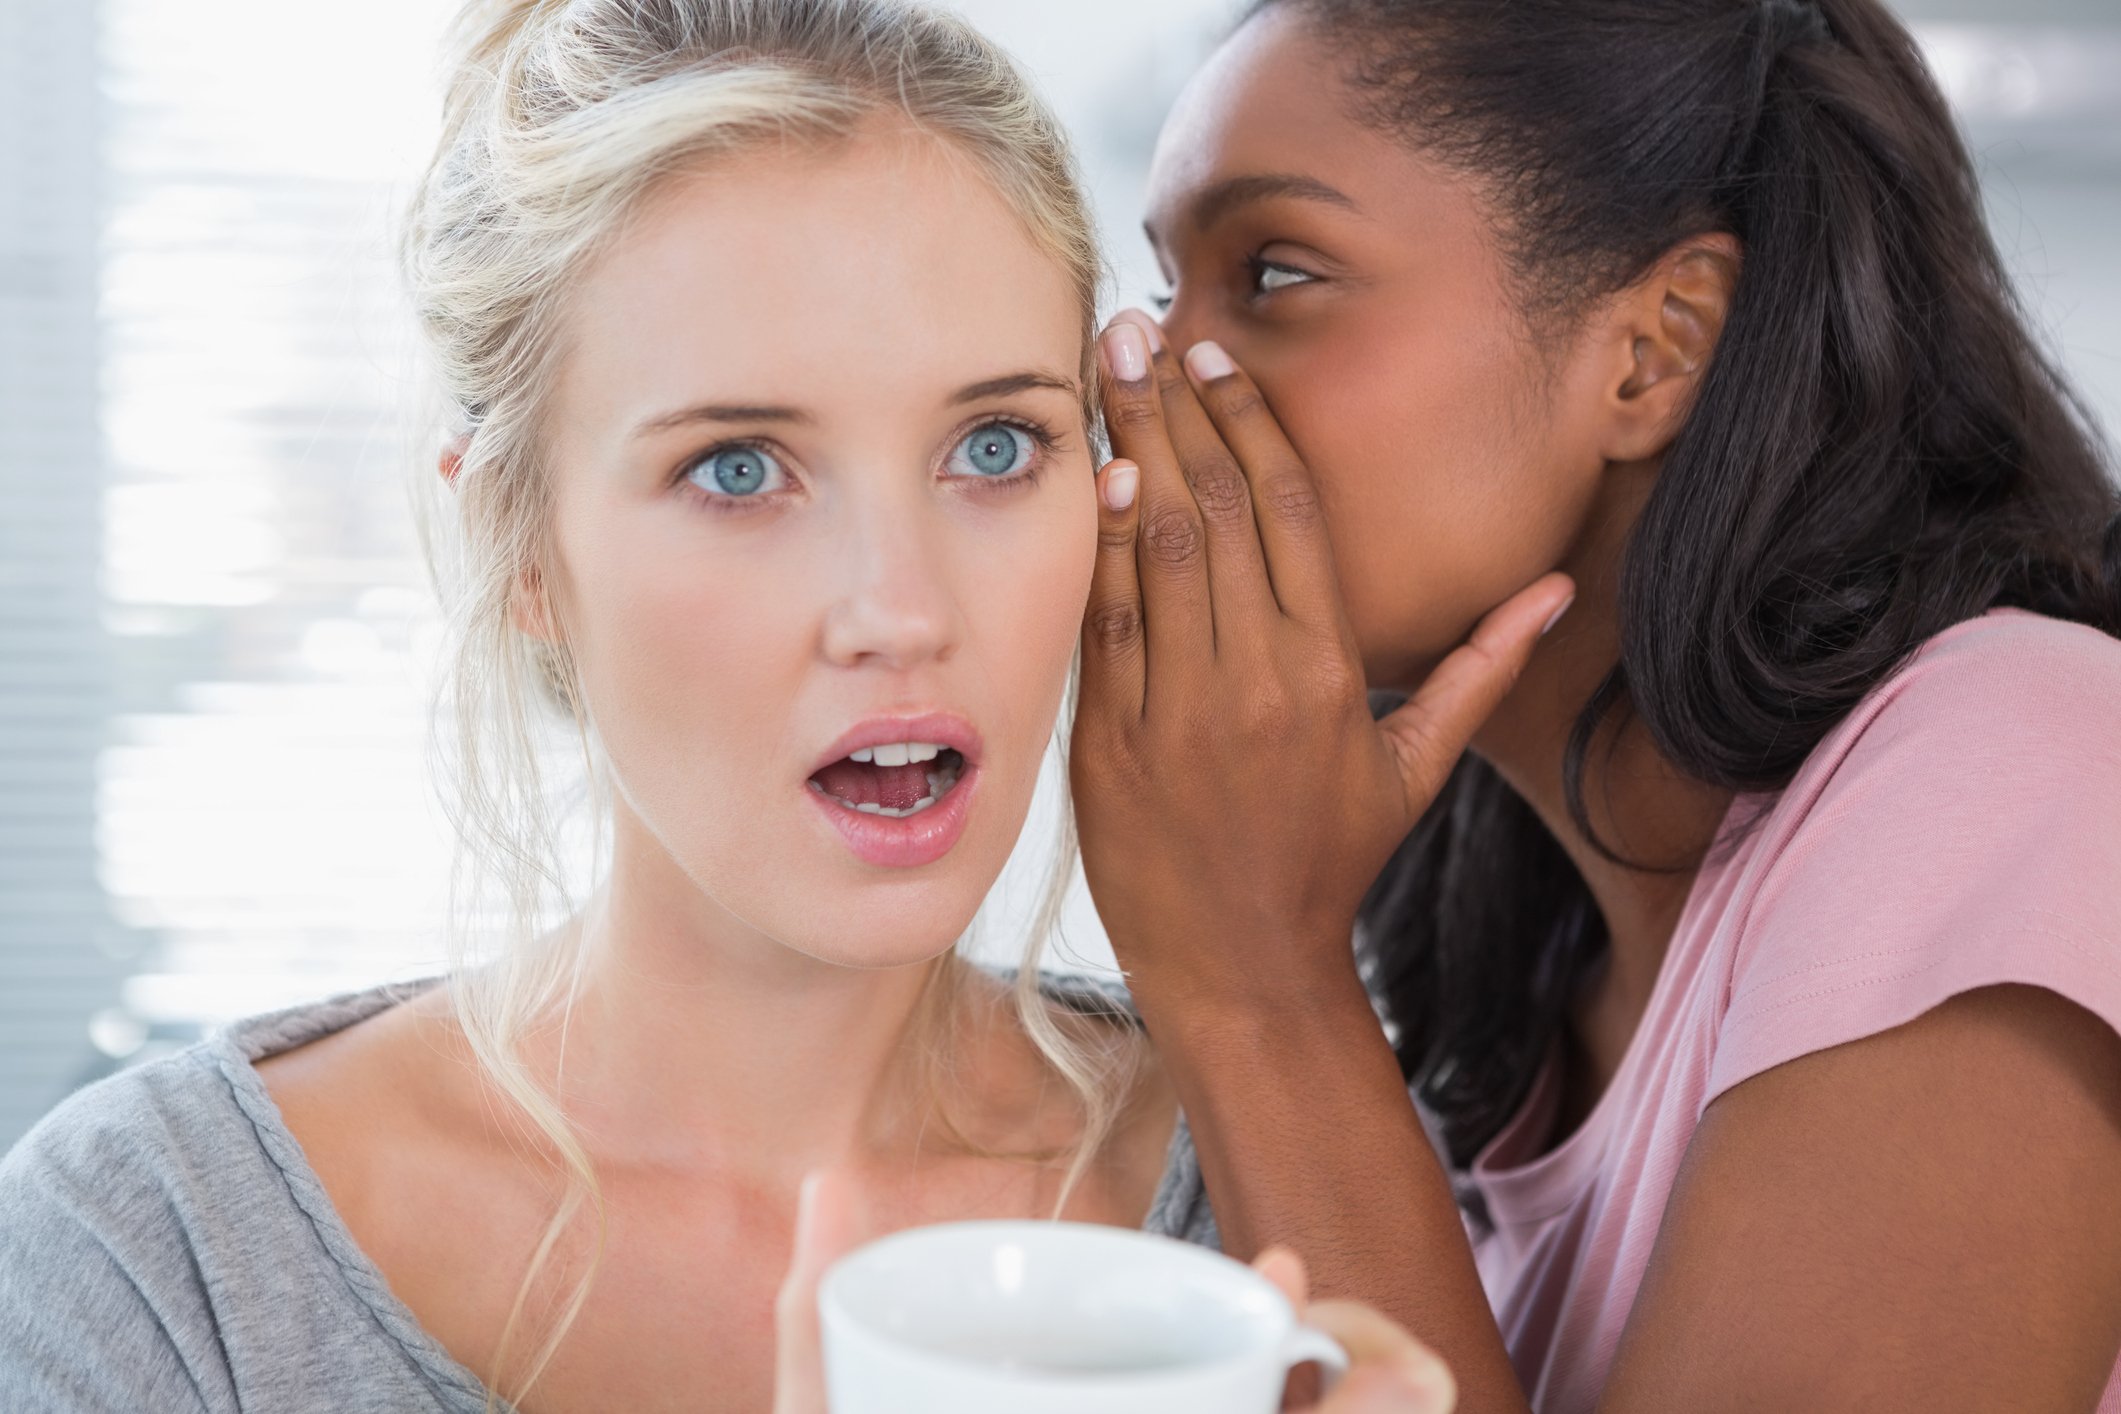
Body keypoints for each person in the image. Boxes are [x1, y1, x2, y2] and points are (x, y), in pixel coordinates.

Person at [0, 2, 1455, 1412]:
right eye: (739, 469)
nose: (902, 609)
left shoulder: (1283, 1192)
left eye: (995, 446)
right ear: (519, 545)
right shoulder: (156, 1258)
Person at [1067, 0, 2121, 1408]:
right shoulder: (1514, 984)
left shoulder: (2017, 763)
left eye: (1274, 272)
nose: (1139, 379)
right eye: (1161, 292)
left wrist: (1253, 977)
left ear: (1655, 348)